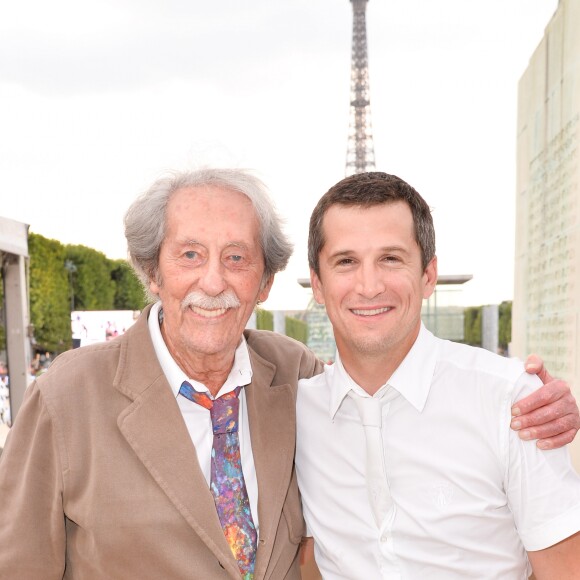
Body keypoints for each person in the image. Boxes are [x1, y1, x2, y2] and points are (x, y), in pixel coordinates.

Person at [0, 168, 575, 580]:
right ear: (152, 272)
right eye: (190, 255)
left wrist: (537, 402)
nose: (214, 282)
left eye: (237, 257)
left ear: (266, 282)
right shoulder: (66, 397)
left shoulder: (293, 378)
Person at [296, 172, 580, 579]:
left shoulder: (511, 402)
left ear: (428, 275)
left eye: (391, 259)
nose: (369, 285)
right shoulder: (296, 411)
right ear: (318, 284)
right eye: (346, 262)